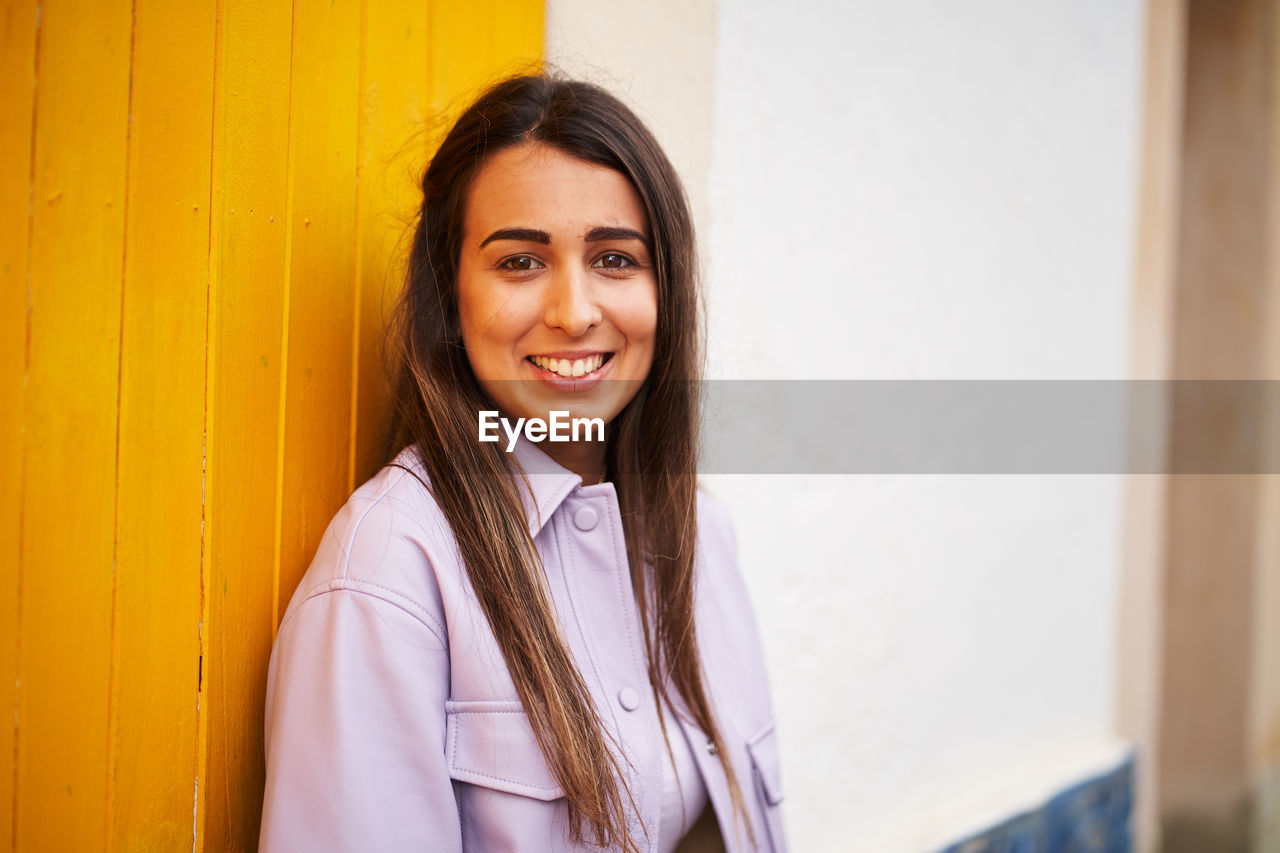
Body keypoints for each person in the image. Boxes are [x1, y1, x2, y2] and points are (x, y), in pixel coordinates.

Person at [259, 74, 786, 853]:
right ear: (451, 293)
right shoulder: (390, 572)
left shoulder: (703, 533)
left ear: (664, 290)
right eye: (519, 263)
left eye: (614, 258)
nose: (573, 312)